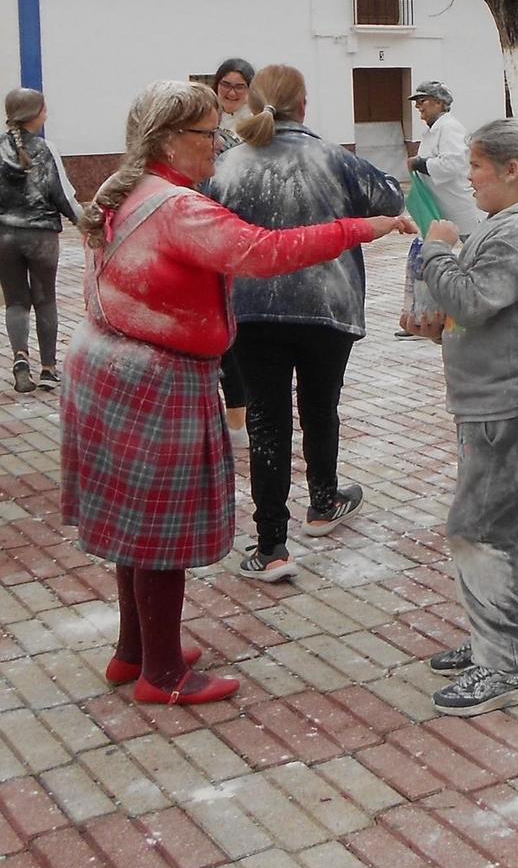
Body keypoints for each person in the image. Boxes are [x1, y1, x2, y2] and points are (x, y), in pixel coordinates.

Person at [61, 80, 413, 705]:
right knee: (160, 527)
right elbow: (265, 251)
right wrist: (363, 227)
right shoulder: (178, 208)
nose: (219, 144)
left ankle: (135, 651)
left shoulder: (130, 189)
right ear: (170, 140)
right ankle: (162, 675)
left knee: (136, 522)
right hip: (155, 376)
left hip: (111, 366)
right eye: (208, 134)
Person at [207, 64, 406, 582]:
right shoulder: (334, 158)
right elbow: (391, 197)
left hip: (253, 308)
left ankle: (272, 544)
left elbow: (205, 222)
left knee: (266, 421)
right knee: (320, 407)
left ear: (254, 103)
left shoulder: (227, 165)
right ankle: (323, 501)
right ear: (304, 103)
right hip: (327, 305)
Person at [417, 120, 518, 715]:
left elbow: (473, 299)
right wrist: (441, 327)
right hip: (492, 396)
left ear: (512, 171)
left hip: (508, 403)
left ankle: (505, 664)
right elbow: (477, 309)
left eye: (478, 166)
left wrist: (436, 250)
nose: (469, 178)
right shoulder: (508, 223)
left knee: (475, 527)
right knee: (496, 526)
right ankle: (494, 635)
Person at [0, 87, 77, 393]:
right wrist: (86, 225)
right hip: (41, 237)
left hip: (2, 236)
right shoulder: (46, 149)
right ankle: (49, 369)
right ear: (36, 114)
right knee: (45, 300)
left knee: (16, 302)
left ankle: (20, 360)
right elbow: (64, 197)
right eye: (44, 109)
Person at [211, 57, 257, 448]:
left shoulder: (256, 126)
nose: (231, 92)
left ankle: (242, 413)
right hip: (211, 229)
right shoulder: (205, 121)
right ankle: (231, 413)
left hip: (247, 233)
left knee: (244, 328)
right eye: (225, 84)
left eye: (239, 86)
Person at [409, 80, 482, 232]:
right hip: (444, 212)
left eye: (422, 101)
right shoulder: (433, 131)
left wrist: (419, 164)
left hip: (462, 214)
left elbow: (451, 165)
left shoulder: (449, 128)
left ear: (439, 103)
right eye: (416, 102)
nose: (417, 106)